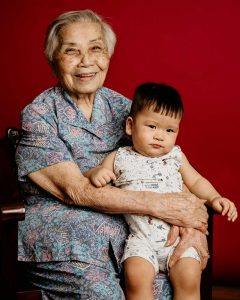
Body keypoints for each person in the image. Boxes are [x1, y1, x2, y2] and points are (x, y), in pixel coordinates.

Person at [16, 10, 210, 300]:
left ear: (108, 55)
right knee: (104, 294)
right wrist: (161, 206)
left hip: (131, 237)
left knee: (173, 282)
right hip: (69, 244)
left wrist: (193, 226)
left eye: (96, 48)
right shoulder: (39, 115)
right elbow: (76, 191)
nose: (86, 61)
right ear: (53, 59)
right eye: (72, 51)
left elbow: (166, 167)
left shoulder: (125, 108)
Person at [86, 82, 238, 300]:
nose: (160, 136)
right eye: (152, 126)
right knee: (136, 277)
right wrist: (96, 173)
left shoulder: (175, 156)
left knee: (189, 277)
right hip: (141, 240)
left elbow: (196, 181)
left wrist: (215, 198)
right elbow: (91, 174)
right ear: (130, 126)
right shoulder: (120, 157)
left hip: (178, 241)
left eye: (169, 130)